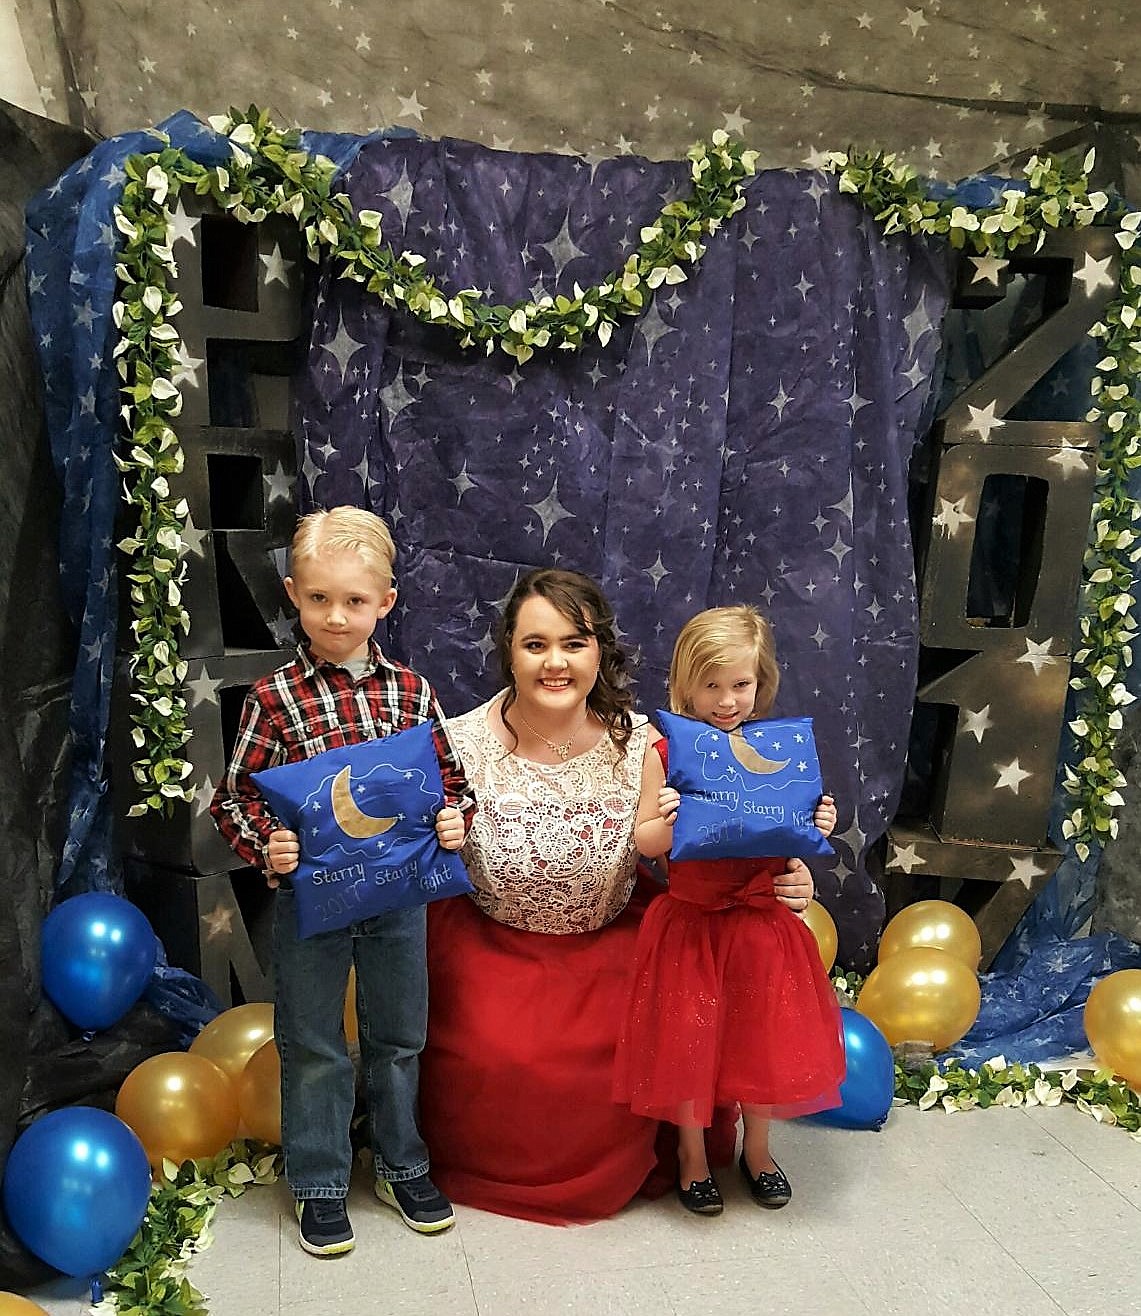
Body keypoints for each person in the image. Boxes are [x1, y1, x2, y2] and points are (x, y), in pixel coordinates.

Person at [418, 569, 817, 1224]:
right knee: (504, 1059)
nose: (554, 662)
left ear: (598, 650)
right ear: (509, 651)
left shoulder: (648, 743)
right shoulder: (456, 742)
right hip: (490, 941)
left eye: (573, 643)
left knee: (634, 1054)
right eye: (534, 644)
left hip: (615, 940)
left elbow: (732, 834)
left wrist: (789, 876)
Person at [210, 507, 475, 1257]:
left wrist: (455, 819)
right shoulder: (273, 699)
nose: (336, 615)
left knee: (399, 1036)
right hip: (312, 906)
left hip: (399, 902)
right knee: (313, 1042)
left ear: (385, 602)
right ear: (293, 594)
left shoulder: (413, 695)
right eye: (319, 597)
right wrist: (270, 846)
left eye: (355, 600)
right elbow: (233, 799)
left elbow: (451, 784)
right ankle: (320, 1180)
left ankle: (401, 1163)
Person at [613, 604, 845, 1216]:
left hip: (761, 927)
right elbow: (644, 843)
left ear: (760, 682)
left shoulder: (778, 750)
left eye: (740, 684)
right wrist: (663, 822)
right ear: (684, 685)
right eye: (710, 686)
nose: (726, 700)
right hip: (692, 925)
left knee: (761, 1043)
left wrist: (819, 824)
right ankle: (692, 1155)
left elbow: (793, 836)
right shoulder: (666, 750)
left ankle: (759, 1148)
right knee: (689, 1047)